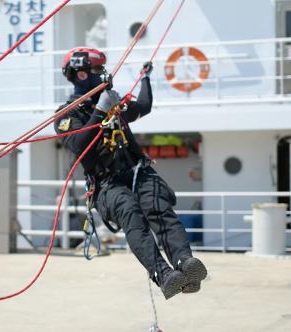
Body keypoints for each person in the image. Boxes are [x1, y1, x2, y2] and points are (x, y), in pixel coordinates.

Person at [55, 47, 207, 300]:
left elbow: (143, 106)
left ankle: (185, 263)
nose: (101, 75)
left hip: (137, 172)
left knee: (160, 207)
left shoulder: (114, 106)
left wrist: (145, 77)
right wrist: (100, 111)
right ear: (80, 74)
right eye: (95, 70)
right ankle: (164, 276)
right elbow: (79, 146)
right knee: (132, 216)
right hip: (106, 184)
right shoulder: (67, 114)